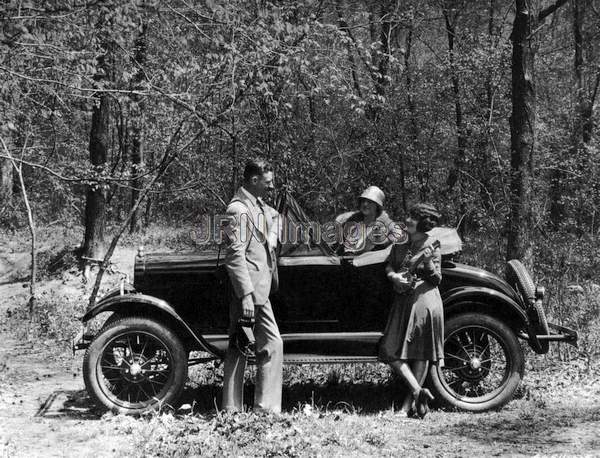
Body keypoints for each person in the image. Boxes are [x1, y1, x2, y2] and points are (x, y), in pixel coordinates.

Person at [221, 158, 283, 413]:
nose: (271, 187)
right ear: (254, 180)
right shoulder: (237, 210)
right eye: (268, 182)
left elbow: (276, 216)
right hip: (249, 292)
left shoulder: (255, 205)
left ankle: (232, 408)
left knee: (239, 346)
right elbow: (234, 256)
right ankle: (264, 409)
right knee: (269, 344)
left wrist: (272, 235)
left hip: (258, 289)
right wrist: (246, 295)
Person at [379, 203, 443, 418]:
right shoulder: (401, 242)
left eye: (413, 219)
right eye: (408, 216)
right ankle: (418, 391)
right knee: (389, 350)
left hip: (424, 302)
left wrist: (428, 263)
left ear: (423, 223)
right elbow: (389, 265)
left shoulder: (432, 244)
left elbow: (436, 280)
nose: (407, 221)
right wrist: (393, 276)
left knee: (420, 354)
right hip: (402, 301)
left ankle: (407, 407)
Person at [334, 185, 393, 255]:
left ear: (377, 206)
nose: (365, 204)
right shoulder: (351, 221)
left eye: (370, 202)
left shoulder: (384, 225)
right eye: (363, 201)